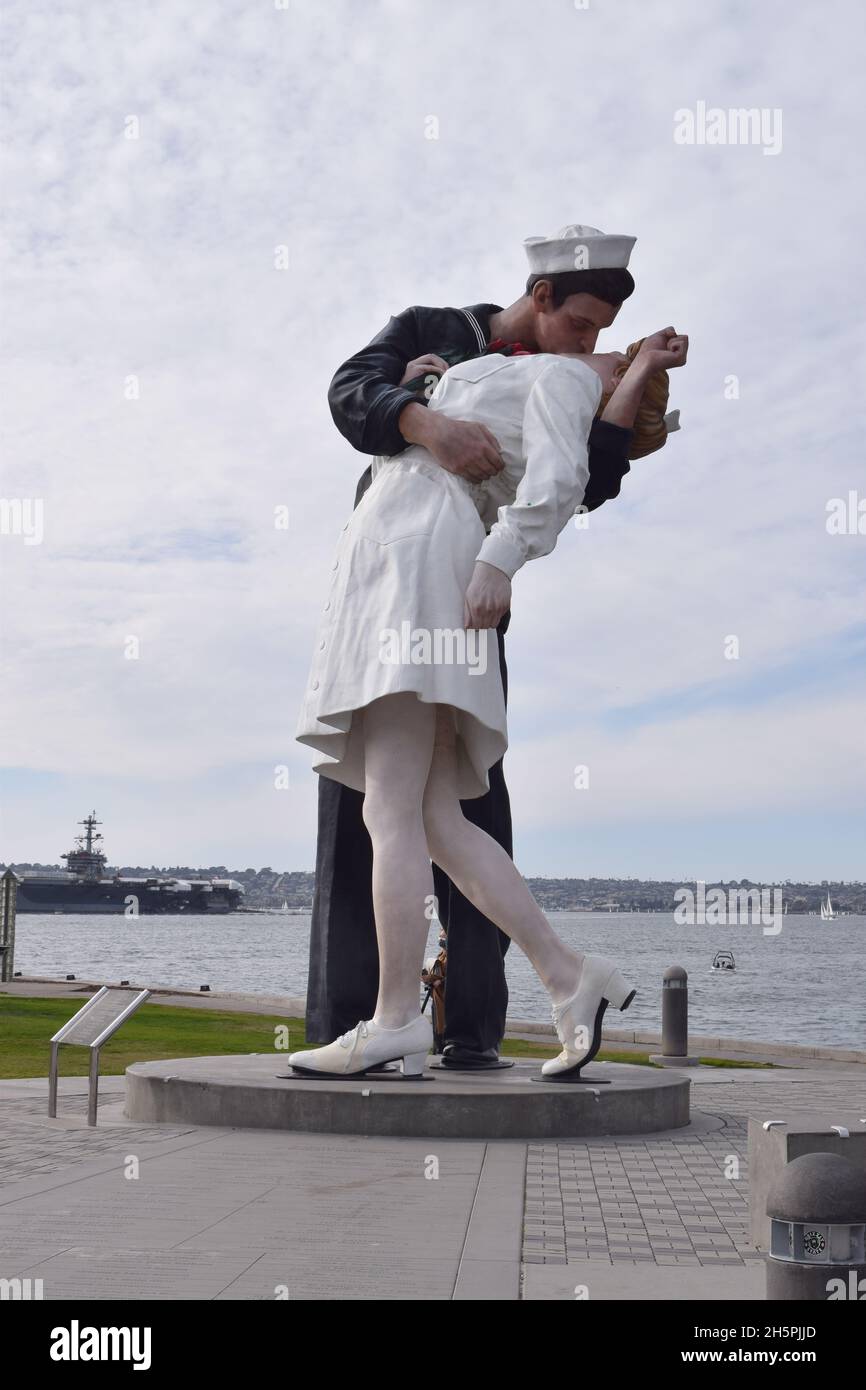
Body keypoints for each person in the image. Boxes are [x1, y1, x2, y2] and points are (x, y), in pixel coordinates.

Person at [291, 230, 687, 1079]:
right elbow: (352, 392)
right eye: (584, 328)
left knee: (391, 807)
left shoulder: (556, 378)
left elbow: (568, 482)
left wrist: (497, 558)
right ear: (541, 298)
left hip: (422, 558)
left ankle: (397, 1018)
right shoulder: (467, 345)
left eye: (603, 344)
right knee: (433, 816)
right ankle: (567, 974)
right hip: (400, 555)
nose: (594, 348)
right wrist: (421, 399)